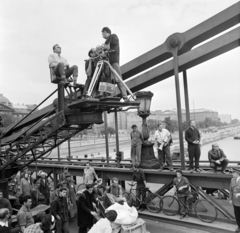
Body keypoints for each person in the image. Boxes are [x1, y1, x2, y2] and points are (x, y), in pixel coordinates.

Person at [101, 27, 128, 101]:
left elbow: (112, 44)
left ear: (105, 32)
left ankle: (125, 95)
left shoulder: (113, 36)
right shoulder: (108, 40)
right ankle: (109, 94)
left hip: (113, 61)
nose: (102, 35)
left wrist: (105, 47)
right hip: (109, 62)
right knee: (108, 78)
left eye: (102, 33)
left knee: (118, 78)